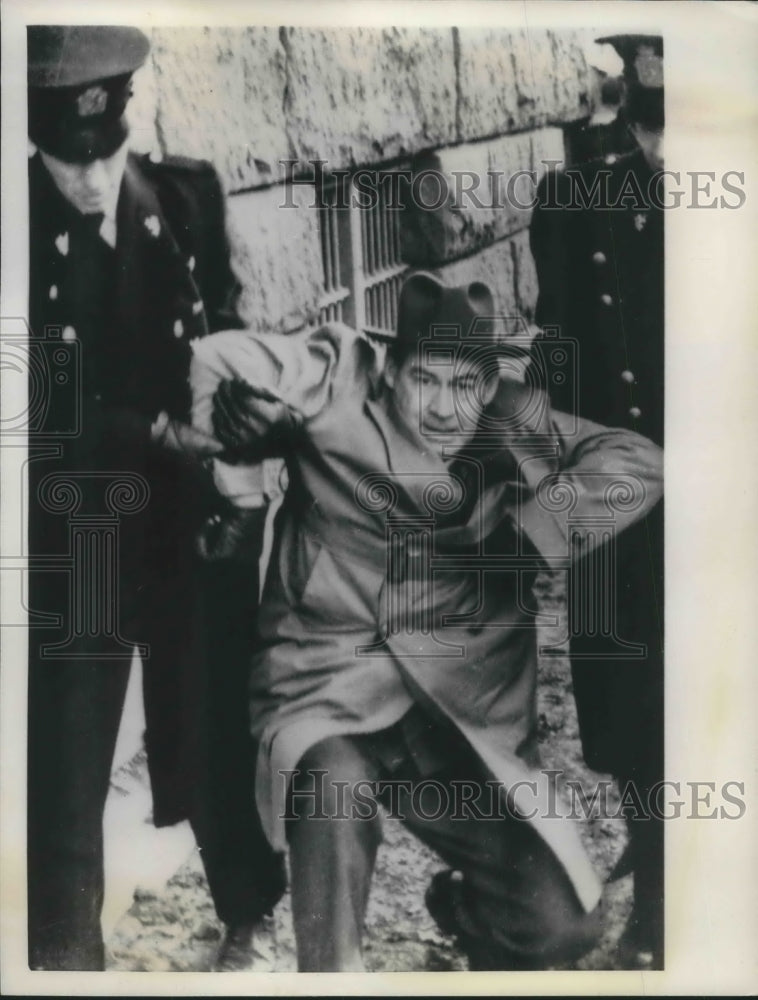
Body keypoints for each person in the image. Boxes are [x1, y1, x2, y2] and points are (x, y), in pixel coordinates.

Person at [189, 271, 663, 971]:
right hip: (329, 690)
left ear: (488, 385)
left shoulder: (514, 422)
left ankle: (463, 909)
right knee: (331, 790)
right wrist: (247, 465)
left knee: (561, 925)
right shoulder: (339, 380)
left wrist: (536, 528)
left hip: (455, 720)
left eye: (464, 385)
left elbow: (640, 460)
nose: (444, 408)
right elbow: (212, 358)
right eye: (424, 379)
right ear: (391, 369)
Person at [26, 26, 284, 971]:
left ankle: (248, 915)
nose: (93, 180)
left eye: (108, 153)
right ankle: (63, 958)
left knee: (212, 726)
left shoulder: (184, 199)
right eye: (70, 159)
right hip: (78, 528)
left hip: (185, 521)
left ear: (128, 122)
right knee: (65, 763)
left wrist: (250, 400)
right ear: (36, 139)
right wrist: (156, 435)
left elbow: (230, 327)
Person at [528, 33, 664, 968]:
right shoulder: (576, 192)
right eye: (648, 46)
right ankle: (655, 878)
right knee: (628, 698)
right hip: (617, 501)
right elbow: (560, 351)